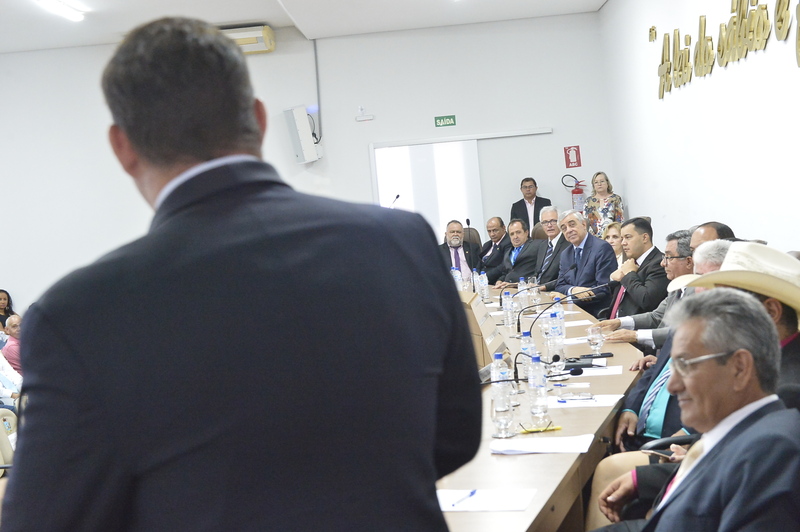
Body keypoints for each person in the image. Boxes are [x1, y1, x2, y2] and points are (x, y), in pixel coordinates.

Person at [1, 17, 482, 531]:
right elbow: (456, 435)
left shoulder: (79, 315)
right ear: (258, 118)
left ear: (122, 147)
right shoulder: (402, 241)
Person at [594, 288, 800, 531]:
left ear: (740, 367)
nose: (672, 385)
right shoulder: (739, 425)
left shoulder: (772, 449)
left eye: (686, 365)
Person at [598, 230, 695, 351]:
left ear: (689, 261)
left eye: (669, 257)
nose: (663, 263)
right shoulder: (677, 285)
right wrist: (618, 322)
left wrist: (635, 335)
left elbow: (683, 332)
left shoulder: (698, 291)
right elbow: (656, 316)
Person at [554, 209, 617, 317]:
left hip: (594, 312)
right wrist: (573, 290)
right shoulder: (565, 254)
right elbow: (559, 285)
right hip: (569, 311)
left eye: (572, 225)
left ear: (583, 224)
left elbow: (603, 288)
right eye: (564, 228)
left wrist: (568, 299)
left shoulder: (601, 248)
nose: (568, 230)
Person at [605, 218, 668, 319]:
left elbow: (647, 301)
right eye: (622, 238)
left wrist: (629, 274)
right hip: (613, 322)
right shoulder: (631, 262)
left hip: (635, 326)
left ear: (645, 238)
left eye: (628, 237)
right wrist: (612, 278)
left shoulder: (659, 263)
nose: (623, 243)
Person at [533, 206, 571, 291]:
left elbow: (567, 276)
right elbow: (537, 273)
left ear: (560, 222)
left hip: (554, 291)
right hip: (537, 291)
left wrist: (545, 287)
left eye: (553, 221)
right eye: (545, 222)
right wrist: (528, 283)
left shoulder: (568, 244)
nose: (549, 225)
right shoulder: (542, 245)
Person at [496, 219, 540, 287]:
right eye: (512, 234)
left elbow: (538, 273)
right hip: (507, 289)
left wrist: (516, 284)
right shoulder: (508, 252)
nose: (515, 237)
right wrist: (499, 281)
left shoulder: (536, 246)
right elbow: (506, 273)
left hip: (525, 288)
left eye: (518, 232)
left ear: (526, 232)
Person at [479, 217, 512, 284]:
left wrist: (484, 277)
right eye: (489, 231)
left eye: (495, 230)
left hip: (495, 281)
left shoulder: (509, 242)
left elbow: (504, 265)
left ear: (503, 228)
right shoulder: (487, 245)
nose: (492, 234)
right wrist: (476, 276)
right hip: (481, 281)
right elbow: (479, 263)